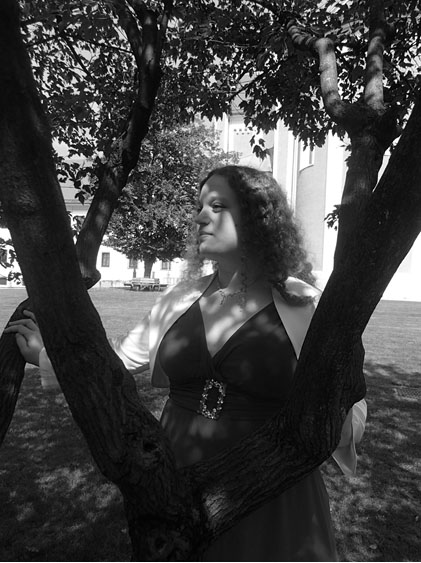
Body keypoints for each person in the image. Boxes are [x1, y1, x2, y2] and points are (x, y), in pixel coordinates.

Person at [6, 165, 367, 561]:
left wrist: (329, 424)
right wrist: (50, 355)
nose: (200, 218)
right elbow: (119, 359)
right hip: (178, 471)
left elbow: (349, 404)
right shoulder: (181, 298)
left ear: (258, 217)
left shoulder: (306, 305)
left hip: (270, 483)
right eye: (199, 207)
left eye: (218, 206)